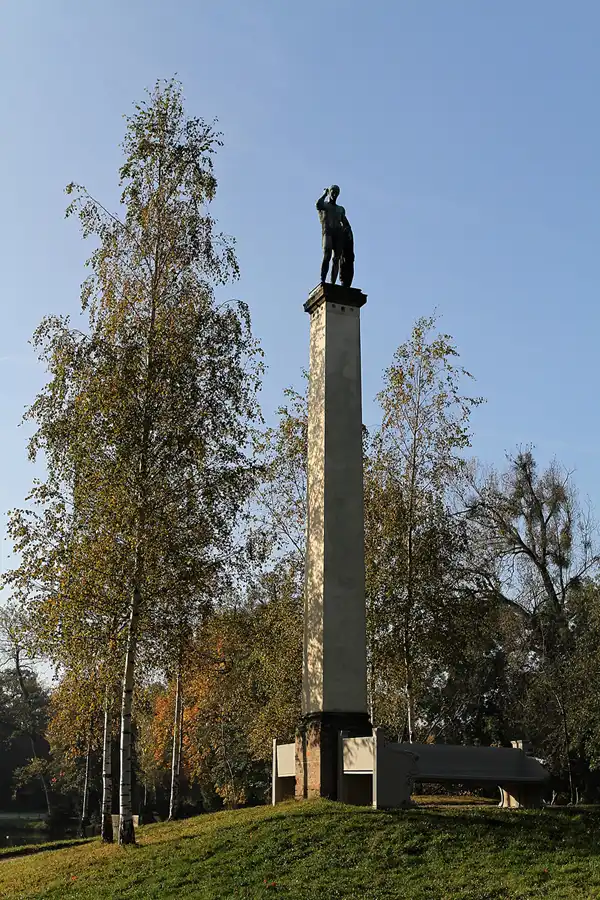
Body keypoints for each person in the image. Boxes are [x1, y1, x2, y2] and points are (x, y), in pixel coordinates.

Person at [316, 185, 353, 286]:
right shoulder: (325, 205)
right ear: (330, 192)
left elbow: (345, 222)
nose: (335, 194)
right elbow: (318, 205)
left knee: (336, 258)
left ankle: (332, 283)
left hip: (338, 234)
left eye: (337, 192)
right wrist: (324, 194)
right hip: (327, 232)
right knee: (327, 254)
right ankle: (323, 279)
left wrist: (348, 231)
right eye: (333, 191)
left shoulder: (340, 209)